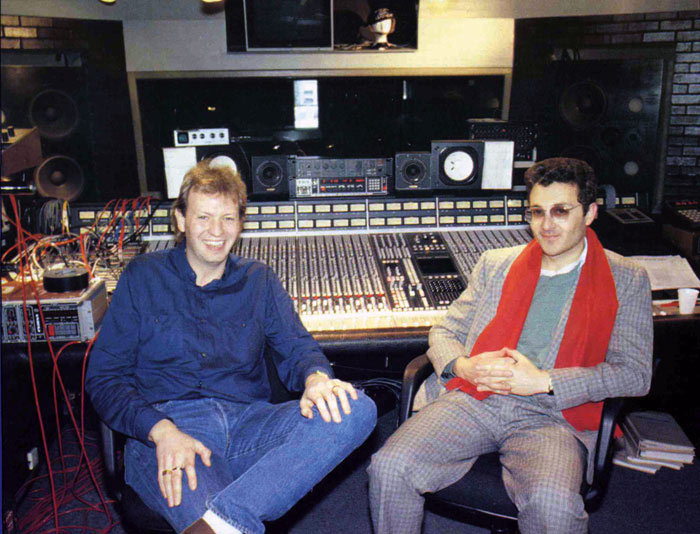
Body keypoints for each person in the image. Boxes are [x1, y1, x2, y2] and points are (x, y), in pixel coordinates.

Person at [86, 160, 377, 534]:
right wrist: (160, 431)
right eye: (204, 217)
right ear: (180, 220)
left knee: (355, 409)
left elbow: (297, 347)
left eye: (227, 219)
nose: (216, 231)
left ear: (241, 223)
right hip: (174, 431)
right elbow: (104, 377)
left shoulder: (259, 280)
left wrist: (316, 378)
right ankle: (229, 517)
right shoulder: (144, 276)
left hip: (249, 425)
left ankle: (228, 517)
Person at [368, 157, 653, 534]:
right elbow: (443, 331)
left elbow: (635, 374)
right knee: (389, 467)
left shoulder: (628, 278)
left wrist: (544, 380)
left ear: (590, 213)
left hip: (553, 417)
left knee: (552, 507)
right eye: (537, 212)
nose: (546, 225)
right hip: (475, 398)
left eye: (560, 211)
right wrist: (463, 366)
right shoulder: (495, 264)